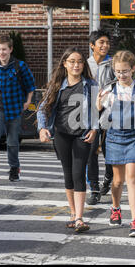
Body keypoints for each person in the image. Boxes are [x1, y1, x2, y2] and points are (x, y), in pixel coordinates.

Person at [37, 47, 98, 233]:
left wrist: (95, 129)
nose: (76, 65)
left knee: (79, 173)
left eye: (79, 61)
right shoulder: (57, 85)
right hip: (62, 134)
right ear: (65, 64)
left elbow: (98, 110)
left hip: (82, 135)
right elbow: (42, 109)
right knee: (68, 174)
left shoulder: (91, 85)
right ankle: (72, 213)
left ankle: (79, 217)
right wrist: (42, 128)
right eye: (72, 61)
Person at [97, 50, 135, 237]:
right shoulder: (109, 90)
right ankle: (115, 208)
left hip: (134, 138)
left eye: (125, 71)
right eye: (118, 71)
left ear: (133, 69)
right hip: (114, 136)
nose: (121, 75)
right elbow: (99, 110)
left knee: (132, 178)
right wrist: (98, 102)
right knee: (117, 180)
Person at [0, 35, 36, 182]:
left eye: (4, 49)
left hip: (16, 107)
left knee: (12, 141)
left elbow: (31, 85)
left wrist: (28, 101)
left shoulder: (20, 66)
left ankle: (14, 169)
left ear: (10, 49)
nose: (1, 52)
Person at [86, 29, 116, 205]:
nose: (105, 45)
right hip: (89, 114)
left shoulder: (112, 64)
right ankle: (94, 189)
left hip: (109, 112)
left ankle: (108, 178)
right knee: (90, 151)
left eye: (107, 42)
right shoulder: (85, 64)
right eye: (101, 43)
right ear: (92, 46)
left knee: (108, 151)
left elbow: (117, 87)